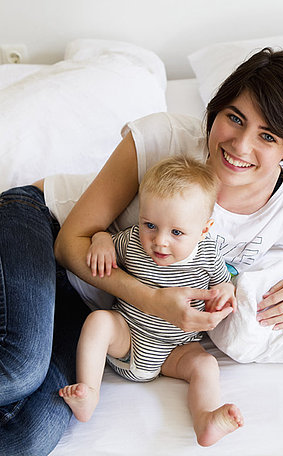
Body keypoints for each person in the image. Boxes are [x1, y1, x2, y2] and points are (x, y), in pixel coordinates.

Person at [0, 48, 283, 456]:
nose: (240, 145)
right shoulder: (162, 140)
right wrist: (155, 301)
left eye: (267, 136)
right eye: (234, 118)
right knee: (19, 371)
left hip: (93, 309)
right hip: (41, 225)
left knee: (27, 437)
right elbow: (71, 244)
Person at [59, 156, 243, 447]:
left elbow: (223, 283)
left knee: (206, 365)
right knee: (99, 321)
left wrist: (224, 294)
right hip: (129, 339)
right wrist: (100, 240)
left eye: (177, 232)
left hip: (178, 350)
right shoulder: (132, 242)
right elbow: (104, 237)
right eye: (150, 225)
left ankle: (205, 419)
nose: (160, 242)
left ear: (204, 230)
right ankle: (90, 392)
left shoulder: (208, 254)